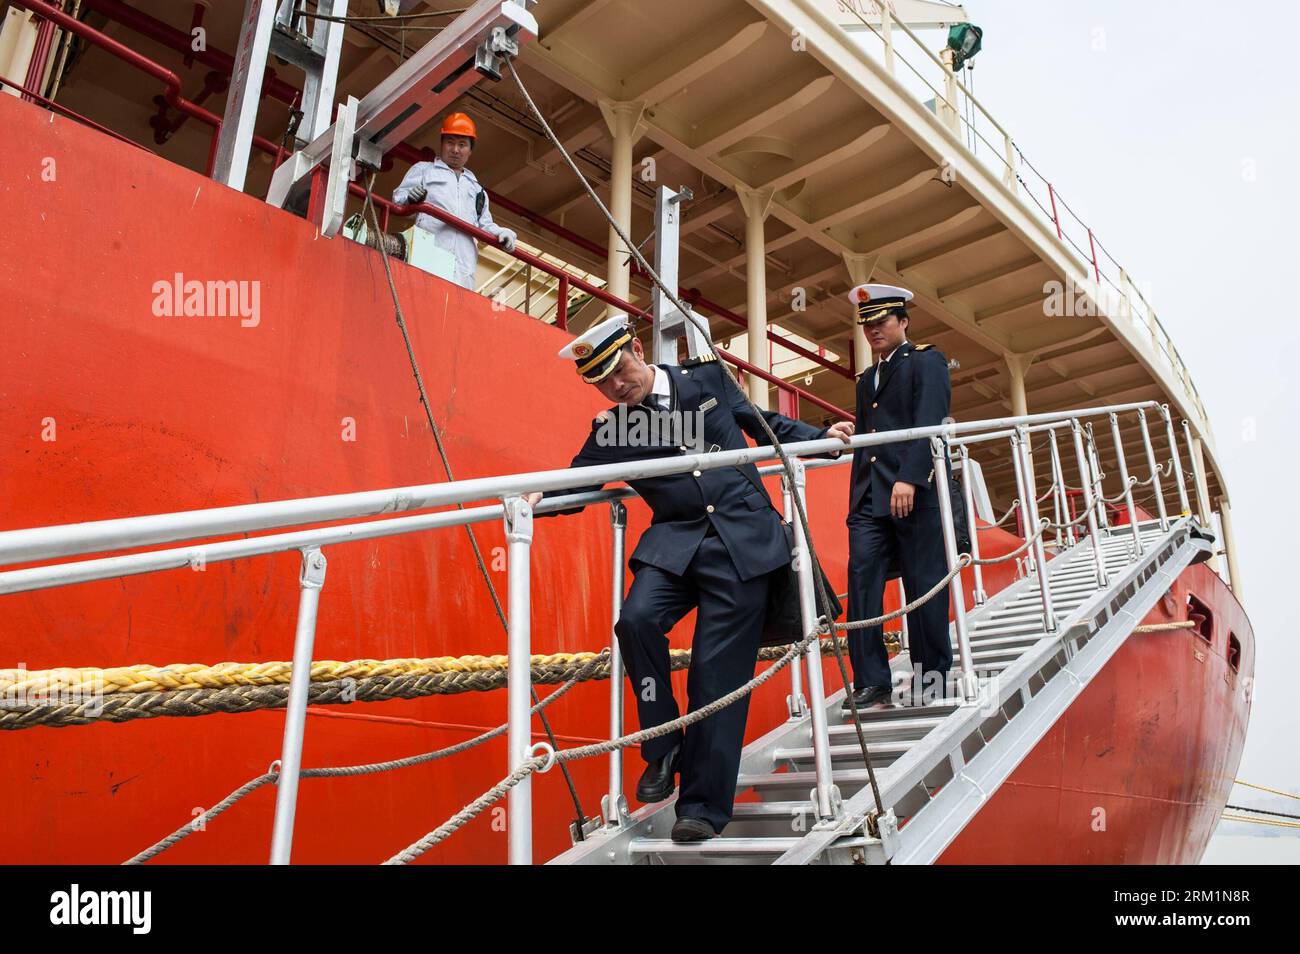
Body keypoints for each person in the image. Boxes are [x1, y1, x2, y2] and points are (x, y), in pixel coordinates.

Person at [524, 316, 852, 842]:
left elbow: (759, 421)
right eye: (601, 382)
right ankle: (662, 744)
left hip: (743, 542)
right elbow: (574, 480)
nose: (615, 386)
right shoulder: (613, 427)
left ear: (636, 348)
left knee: (715, 677)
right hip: (675, 545)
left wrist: (820, 437)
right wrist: (535, 500)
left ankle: (701, 806)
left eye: (618, 370)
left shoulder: (708, 380)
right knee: (634, 621)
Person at [842, 284, 954, 711]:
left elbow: (930, 421)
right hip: (870, 498)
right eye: (867, 324)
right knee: (862, 583)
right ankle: (872, 680)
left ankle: (932, 676)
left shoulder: (926, 361)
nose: (873, 330)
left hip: (912, 491)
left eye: (882, 321)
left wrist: (910, 478)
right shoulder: (866, 378)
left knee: (923, 582)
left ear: (903, 322)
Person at [391, 112, 517, 290]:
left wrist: (502, 233)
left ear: (470, 150)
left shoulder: (477, 189)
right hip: (429, 254)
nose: (455, 150)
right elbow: (398, 200)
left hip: (463, 268)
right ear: (442, 144)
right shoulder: (424, 170)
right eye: (450, 142)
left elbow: (484, 224)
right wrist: (411, 198)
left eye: (462, 144)